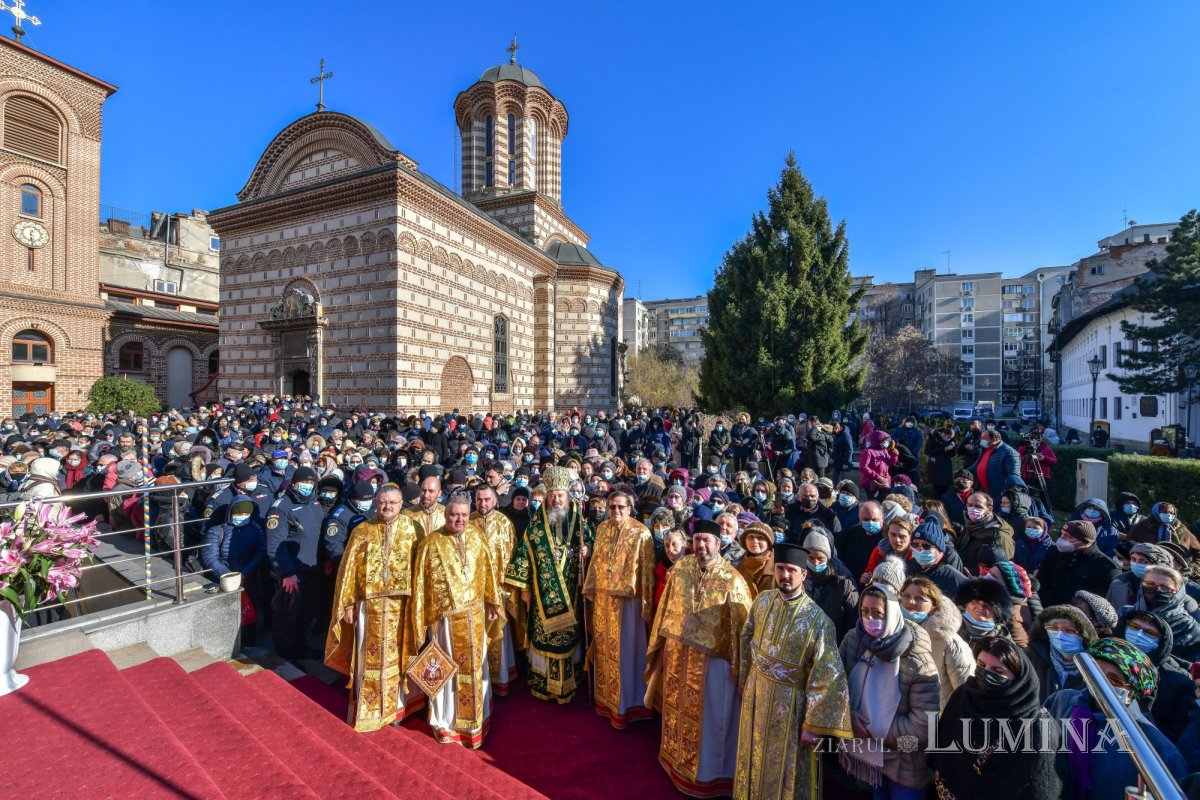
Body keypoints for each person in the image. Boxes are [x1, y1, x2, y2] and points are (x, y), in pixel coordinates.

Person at [733, 542, 852, 800]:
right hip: (756, 695)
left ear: (803, 574)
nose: (784, 575)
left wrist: (813, 724)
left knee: (786, 771)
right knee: (752, 756)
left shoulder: (818, 620)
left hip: (792, 708)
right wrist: (743, 680)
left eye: (791, 570)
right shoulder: (763, 601)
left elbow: (828, 676)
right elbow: (745, 638)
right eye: (780, 569)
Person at [645, 518, 753, 798]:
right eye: (697, 540)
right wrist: (660, 644)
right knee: (676, 710)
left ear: (718, 544)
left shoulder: (733, 580)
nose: (701, 545)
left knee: (710, 722)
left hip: (713, 664)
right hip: (678, 656)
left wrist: (741, 671)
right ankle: (675, 762)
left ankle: (709, 776)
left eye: (707, 540)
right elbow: (665, 609)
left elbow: (743, 631)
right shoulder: (681, 569)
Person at [323, 484, 423, 732]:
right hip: (369, 608)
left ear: (401, 504)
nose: (387, 507)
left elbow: (421, 571)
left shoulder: (414, 529)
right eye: (383, 502)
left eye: (393, 502)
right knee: (369, 658)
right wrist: (348, 604)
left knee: (399, 657)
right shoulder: (362, 531)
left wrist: (420, 606)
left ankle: (397, 707)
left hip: (403, 607)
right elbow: (348, 571)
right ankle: (371, 707)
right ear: (376, 503)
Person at [410, 491, 504, 747]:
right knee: (447, 667)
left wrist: (492, 601)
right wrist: (423, 620)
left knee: (475, 666)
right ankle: (447, 720)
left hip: (475, 614)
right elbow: (421, 587)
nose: (460, 520)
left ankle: (477, 718)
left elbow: (488, 570)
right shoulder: (431, 543)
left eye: (464, 515)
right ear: (446, 514)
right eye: (454, 515)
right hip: (445, 621)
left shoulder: (476, 536)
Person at [1045, 638, 1187, 800]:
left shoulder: (1156, 750)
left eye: (1114, 680)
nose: (1101, 683)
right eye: (1095, 673)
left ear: (1133, 690)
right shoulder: (1061, 702)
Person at [839, 581, 940, 800]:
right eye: (865, 611)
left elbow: (925, 725)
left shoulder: (918, 661)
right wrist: (848, 716)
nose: (870, 618)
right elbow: (837, 687)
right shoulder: (854, 641)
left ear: (892, 614)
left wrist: (876, 730)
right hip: (866, 756)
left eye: (877, 613)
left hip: (904, 763)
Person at [931, 637, 1065, 800]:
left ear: (1018, 678)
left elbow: (1041, 786)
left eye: (998, 671)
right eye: (981, 665)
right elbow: (941, 754)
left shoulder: (1038, 727)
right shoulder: (963, 697)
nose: (986, 674)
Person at [505, 466, 592, 704]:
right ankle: (544, 682)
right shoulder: (536, 524)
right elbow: (523, 556)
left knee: (568, 638)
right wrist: (525, 589)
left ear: (567, 496)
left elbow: (591, 542)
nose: (556, 500)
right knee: (545, 637)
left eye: (560, 495)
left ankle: (568, 682)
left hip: (571, 594)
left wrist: (588, 549)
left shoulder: (578, 521)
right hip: (541, 596)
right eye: (552, 495)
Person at [582, 489, 655, 729]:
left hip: (629, 602)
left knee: (627, 654)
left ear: (629, 508)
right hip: (603, 600)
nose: (616, 511)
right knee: (605, 650)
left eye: (621, 507)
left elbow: (647, 572)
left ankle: (629, 705)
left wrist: (646, 605)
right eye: (612, 506)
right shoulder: (602, 529)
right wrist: (590, 588)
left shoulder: (641, 532)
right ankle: (606, 701)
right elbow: (596, 562)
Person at [266, 466, 326, 662]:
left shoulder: (315, 503)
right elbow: (275, 544)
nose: (307, 486)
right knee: (287, 618)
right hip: (293, 575)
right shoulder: (281, 508)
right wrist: (286, 573)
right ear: (293, 484)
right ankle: (285, 657)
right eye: (304, 482)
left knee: (306, 614)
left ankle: (301, 648)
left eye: (311, 482)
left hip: (312, 569)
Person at [1114, 609, 1195, 740]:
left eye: (1149, 633)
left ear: (1162, 641)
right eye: (1134, 627)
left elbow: (1177, 729)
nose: (1138, 635)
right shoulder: (1102, 658)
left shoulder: (1180, 682)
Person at [470, 483, 518, 696]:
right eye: (479, 499)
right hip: (473, 590)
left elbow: (511, 555)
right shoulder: (468, 521)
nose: (483, 503)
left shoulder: (504, 523)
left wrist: (506, 587)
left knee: (498, 633)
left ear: (495, 500)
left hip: (498, 589)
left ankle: (500, 679)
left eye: (487, 499)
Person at [900, 576, 973, 709]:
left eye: (920, 598)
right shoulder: (890, 632)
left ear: (934, 608)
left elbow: (966, 692)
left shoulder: (948, 641)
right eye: (906, 596)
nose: (911, 601)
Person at [1119, 563, 1200, 662]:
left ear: (1177, 592)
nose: (1156, 589)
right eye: (1150, 584)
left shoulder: (1189, 628)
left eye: (1164, 587)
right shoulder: (1125, 613)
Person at [1038, 520, 1121, 608]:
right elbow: (1042, 580)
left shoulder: (1107, 567)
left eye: (1068, 536)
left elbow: (1101, 603)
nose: (1062, 538)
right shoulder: (1054, 552)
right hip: (1045, 608)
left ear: (1085, 541)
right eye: (1061, 534)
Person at [1025, 604, 1097, 702]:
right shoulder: (1030, 658)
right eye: (1054, 628)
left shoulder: (1096, 666)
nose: (1059, 634)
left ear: (1084, 636)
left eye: (1069, 630)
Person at [802, 529, 859, 643]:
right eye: (811, 558)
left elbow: (853, 615)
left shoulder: (843, 579)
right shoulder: (798, 574)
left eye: (820, 559)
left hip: (833, 639)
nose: (816, 563)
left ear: (828, 557)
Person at [905, 517, 968, 598]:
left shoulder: (955, 579)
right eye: (915, 544)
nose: (920, 549)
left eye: (926, 546)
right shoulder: (906, 569)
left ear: (940, 550)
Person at [957, 492, 1015, 572]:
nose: (972, 509)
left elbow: (1004, 570)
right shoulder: (969, 527)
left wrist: (970, 572)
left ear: (989, 509)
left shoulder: (1000, 535)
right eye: (970, 505)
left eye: (978, 506)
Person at [1127, 501, 1200, 559]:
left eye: (1171, 513)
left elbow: (1197, 551)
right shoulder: (1142, 527)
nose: (1168, 515)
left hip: (1177, 570)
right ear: (1156, 512)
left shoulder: (1181, 530)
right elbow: (1129, 544)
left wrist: (1193, 568)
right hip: (1149, 568)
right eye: (1164, 512)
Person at [968, 429, 1019, 508]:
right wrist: (964, 472)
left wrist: (1007, 494)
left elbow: (1014, 476)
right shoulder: (986, 448)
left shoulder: (1009, 452)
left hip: (998, 494)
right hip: (983, 490)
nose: (981, 441)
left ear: (994, 439)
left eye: (984, 439)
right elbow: (978, 464)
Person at [734, 521, 776, 597]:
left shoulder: (778, 567)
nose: (754, 541)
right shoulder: (736, 567)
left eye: (760, 538)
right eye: (750, 537)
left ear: (768, 542)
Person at [404, 471, 446, 539]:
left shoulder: (446, 514)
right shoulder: (407, 514)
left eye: (431, 491)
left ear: (439, 493)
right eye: (423, 490)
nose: (426, 495)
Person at [858, 430, 898, 501]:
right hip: (872, 482)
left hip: (884, 481)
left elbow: (891, 463)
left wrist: (894, 455)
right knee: (873, 502)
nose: (887, 442)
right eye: (886, 440)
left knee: (882, 501)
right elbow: (863, 467)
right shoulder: (868, 452)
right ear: (879, 440)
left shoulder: (884, 451)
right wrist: (878, 477)